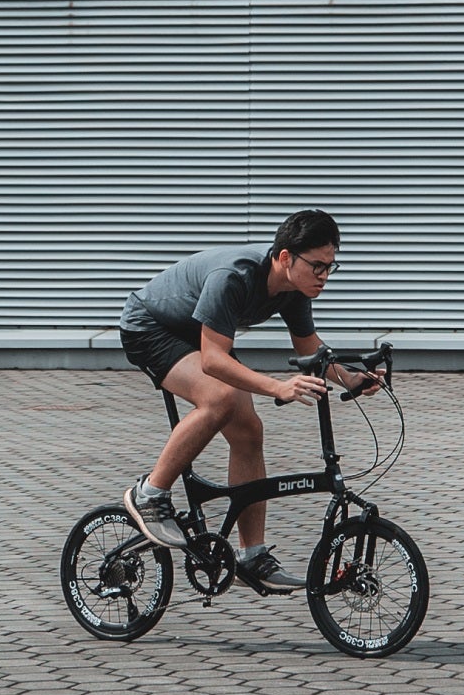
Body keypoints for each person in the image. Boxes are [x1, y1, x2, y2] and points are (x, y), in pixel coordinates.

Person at [116, 210, 376, 595]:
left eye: (330, 268)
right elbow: (212, 360)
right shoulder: (235, 276)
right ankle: (150, 494)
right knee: (218, 398)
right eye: (317, 267)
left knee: (249, 431)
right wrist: (276, 387)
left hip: (199, 335)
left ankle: (251, 556)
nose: (324, 277)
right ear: (286, 257)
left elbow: (310, 347)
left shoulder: (292, 289)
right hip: (152, 327)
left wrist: (354, 378)